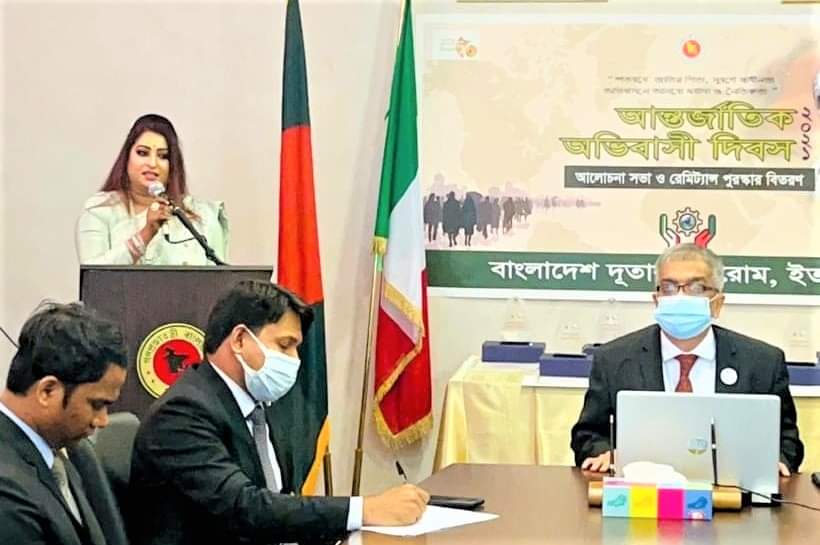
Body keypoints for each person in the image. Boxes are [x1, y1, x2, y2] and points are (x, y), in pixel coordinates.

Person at [129, 281, 429, 545]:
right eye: (285, 345)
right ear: (240, 340)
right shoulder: (182, 413)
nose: (294, 360)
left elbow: (282, 500)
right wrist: (365, 509)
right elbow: (245, 508)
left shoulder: (259, 403)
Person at [570, 243, 803, 476]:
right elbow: (588, 435)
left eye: (696, 287)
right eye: (669, 287)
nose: (680, 297)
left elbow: (787, 441)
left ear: (717, 303)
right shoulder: (613, 359)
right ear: (656, 299)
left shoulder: (762, 363)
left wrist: (777, 461)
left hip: (734, 490)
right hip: (643, 490)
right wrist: (604, 452)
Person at [0, 302, 128, 545]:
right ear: (47, 391)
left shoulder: (65, 452)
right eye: (97, 404)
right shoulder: (6, 492)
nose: (102, 421)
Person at [76, 114, 228, 265]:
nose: (153, 163)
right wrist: (146, 233)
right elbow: (93, 274)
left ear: (172, 166)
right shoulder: (100, 210)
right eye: (143, 153)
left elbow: (218, 277)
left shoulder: (203, 215)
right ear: (127, 158)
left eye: (163, 156)